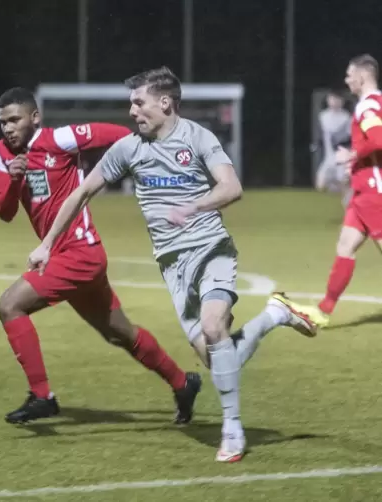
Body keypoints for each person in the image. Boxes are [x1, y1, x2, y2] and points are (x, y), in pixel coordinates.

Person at [27, 67, 317, 462]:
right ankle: (273, 315)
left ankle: (233, 431)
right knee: (217, 360)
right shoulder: (129, 149)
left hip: (211, 248)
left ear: (164, 103)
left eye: (138, 102)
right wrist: (46, 244)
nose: (132, 111)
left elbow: (232, 187)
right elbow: (80, 194)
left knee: (215, 327)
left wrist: (195, 206)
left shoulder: (198, 137)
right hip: (173, 266)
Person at [0, 87, 202, 426]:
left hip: (79, 254)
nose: (8, 128)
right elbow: (3, 212)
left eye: (14, 120)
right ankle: (183, 383)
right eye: (3, 122)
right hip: (67, 258)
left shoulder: (58, 140)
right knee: (120, 333)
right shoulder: (2, 153)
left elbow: (111, 134)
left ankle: (42, 396)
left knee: (9, 305)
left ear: (34, 118)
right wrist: (15, 181)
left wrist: (150, 145)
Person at [290, 54, 382, 328]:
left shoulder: (367, 106)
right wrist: (356, 161)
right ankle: (322, 311)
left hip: (373, 193)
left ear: (362, 76)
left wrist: (352, 153)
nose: (346, 79)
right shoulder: (376, 102)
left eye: (349, 74)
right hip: (362, 192)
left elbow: (377, 139)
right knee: (345, 246)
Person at [315, 91, 353, 207]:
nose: (334, 102)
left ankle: (348, 201)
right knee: (320, 185)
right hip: (329, 157)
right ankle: (345, 193)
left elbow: (348, 137)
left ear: (342, 102)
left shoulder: (346, 117)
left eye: (337, 99)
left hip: (340, 157)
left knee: (343, 181)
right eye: (332, 99)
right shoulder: (323, 116)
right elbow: (323, 135)